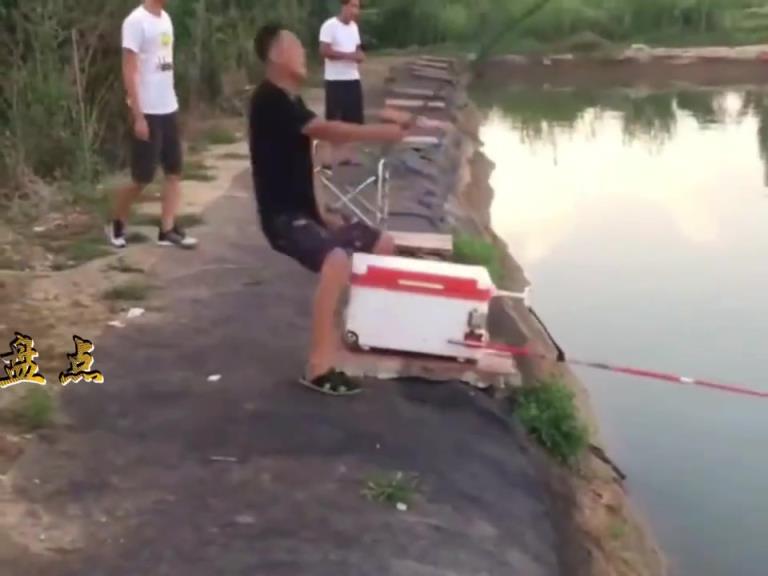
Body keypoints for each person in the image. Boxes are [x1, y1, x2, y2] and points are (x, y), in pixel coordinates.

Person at [249, 24, 419, 396]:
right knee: (336, 260)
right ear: (276, 55)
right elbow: (328, 131)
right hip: (282, 219)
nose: (303, 52)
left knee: (382, 244)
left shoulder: (292, 101)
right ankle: (318, 366)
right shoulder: (269, 100)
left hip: (307, 215)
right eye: (295, 45)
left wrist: (323, 211)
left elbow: (309, 160)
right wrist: (383, 132)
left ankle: (364, 335)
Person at [106, 0, 198, 250]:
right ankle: (116, 222)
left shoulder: (166, 19)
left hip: (168, 107)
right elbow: (129, 70)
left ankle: (167, 229)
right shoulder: (135, 22)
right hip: (147, 110)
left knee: (174, 171)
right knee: (142, 177)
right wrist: (138, 115)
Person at [319, 0, 365, 165]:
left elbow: (357, 49)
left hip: (352, 78)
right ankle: (330, 157)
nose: (355, 10)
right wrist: (348, 56)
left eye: (357, 7)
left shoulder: (354, 27)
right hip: (335, 80)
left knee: (354, 119)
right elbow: (324, 50)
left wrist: (359, 55)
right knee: (334, 119)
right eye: (352, 6)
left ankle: (349, 156)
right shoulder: (329, 25)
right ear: (344, 6)